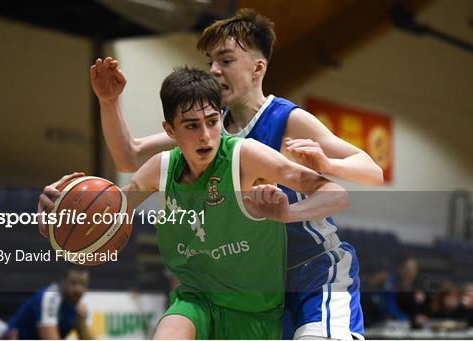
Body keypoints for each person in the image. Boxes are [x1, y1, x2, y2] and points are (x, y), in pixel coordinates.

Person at [81, 9, 383, 339]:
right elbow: (130, 155)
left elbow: (372, 171)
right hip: (259, 287)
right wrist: (109, 102)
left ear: (257, 67)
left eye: (225, 60)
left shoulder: (287, 120)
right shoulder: (209, 125)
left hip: (313, 270)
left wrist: (326, 165)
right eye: (210, 61)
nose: (213, 69)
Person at [41, 67, 349, 339]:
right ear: (170, 131)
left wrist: (288, 213)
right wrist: (61, 213)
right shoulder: (161, 168)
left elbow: (336, 193)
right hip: (195, 301)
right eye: (191, 125)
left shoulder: (246, 156)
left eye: (212, 121)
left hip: (256, 312)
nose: (205, 135)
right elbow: (105, 216)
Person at [5, 267, 93, 340]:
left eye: (83, 284)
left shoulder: (79, 306)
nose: (78, 290)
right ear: (63, 282)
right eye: (73, 283)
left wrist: (81, 321)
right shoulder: (50, 297)